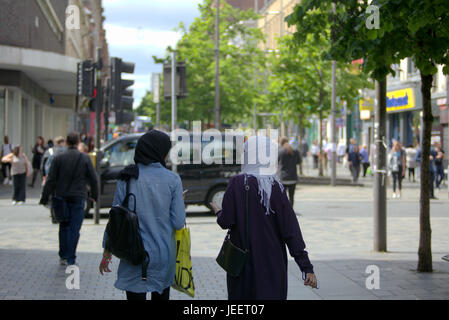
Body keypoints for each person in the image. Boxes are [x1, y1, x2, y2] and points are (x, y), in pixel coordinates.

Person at [210, 136, 317, 300]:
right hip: (272, 263)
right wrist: (306, 266)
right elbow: (290, 230)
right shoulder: (276, 187)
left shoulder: (236, 183)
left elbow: (226, 221)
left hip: (242, 264)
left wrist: (219, 212)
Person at [99, 130, 186, 301]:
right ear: (160, 151)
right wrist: (179, 202)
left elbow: (115, 220)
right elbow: (178, 222)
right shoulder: (172, 180)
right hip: (163, 256)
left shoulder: (127, 177)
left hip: (133, 253)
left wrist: (106, 254)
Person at [39, 132, 98, 266]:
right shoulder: (85, 158)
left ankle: (63, 255)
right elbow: (93, 179)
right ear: (78, 143)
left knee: (63, 226)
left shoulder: (58, 158)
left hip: (61, 196)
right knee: (74, 228)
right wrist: (94, 195)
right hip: (78, 196)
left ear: (66, 142)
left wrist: (44, 197)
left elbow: (51, 179)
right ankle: (71, 256)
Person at [278, 137, 301, 207]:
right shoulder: (295, 152)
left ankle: (283, 212)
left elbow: (276, 162)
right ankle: (290, 213)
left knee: (282, 197)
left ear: (281, 143)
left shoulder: (280, 152)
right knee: (291, 197)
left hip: (283, 178)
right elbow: (299, 162)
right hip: (293, 177)